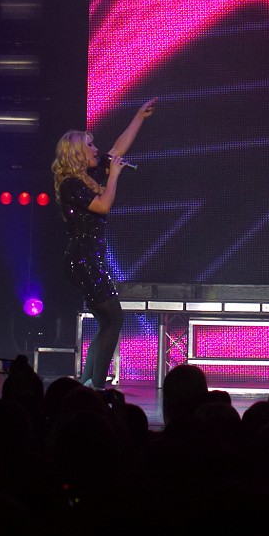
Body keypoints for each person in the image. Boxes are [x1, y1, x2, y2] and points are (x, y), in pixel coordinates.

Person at [51, 98, 158, 389]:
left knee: (108, 321)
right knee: (114, 318)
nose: (96, 149)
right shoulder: (71, 184)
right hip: (82, 260)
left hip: (90, 259)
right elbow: (102, 206)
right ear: (77, 153)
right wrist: (115, 178)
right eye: (90, 145)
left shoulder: (87, 178)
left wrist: (139, 117)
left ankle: (87, 382)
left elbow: (117, 150)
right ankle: (96, 386)